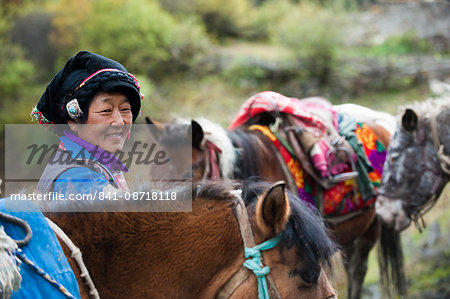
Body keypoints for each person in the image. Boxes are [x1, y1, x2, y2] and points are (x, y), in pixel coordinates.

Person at [31, 51, 143, 197]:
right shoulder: (77, 179)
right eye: (106, 110)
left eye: (125, 110)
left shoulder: (96, 164)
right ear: (74, 121)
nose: (120, 122)